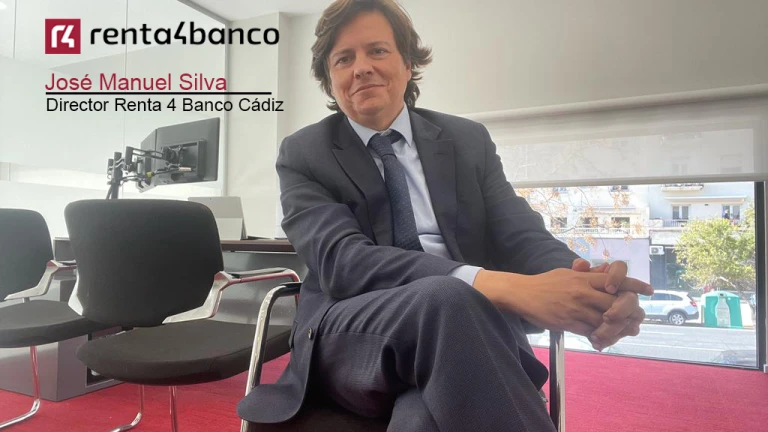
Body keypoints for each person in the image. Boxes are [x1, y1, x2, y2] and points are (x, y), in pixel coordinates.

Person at [238, 1, 652, 430]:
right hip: (354, 333)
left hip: (465, 337)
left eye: (377, 50)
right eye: (344, 59)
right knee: (448, 298)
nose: (361, 68)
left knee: (423, 414)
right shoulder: (305, 152)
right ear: (330, 79)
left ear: (407, 63)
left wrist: (590, 286)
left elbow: (521, 234)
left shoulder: (467, 140)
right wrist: (494, 284)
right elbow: (343, 262)